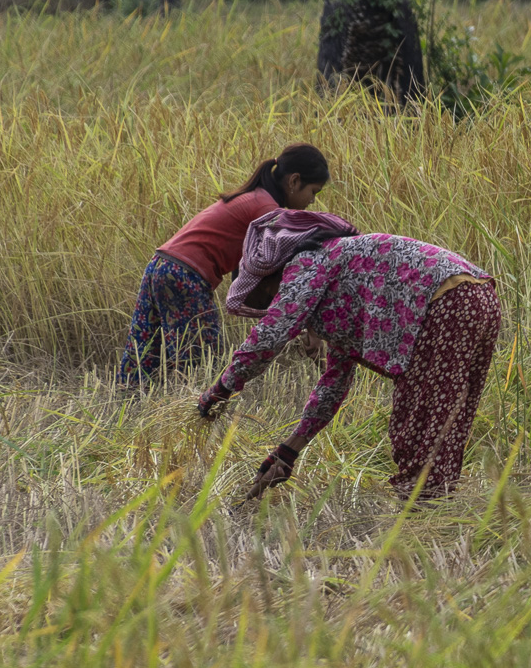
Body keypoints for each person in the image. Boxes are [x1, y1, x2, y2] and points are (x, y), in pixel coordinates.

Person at [197, 210, 500, 501]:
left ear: (274, 275)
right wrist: (288, 452)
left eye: (269, 295)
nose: (274, 303)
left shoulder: (307, 263)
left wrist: (220, 390)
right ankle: (433, 509)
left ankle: (421, 512)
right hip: (480, 296)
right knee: (444, 415)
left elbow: (268, 337)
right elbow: (333, 383)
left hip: (448, 301)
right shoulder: (341, 288)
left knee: (419, 420)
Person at [116, 143, 330, 385]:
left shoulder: (255, 198)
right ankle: (189, 408)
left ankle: (126, 399)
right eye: (313, 191)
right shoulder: (269, 211)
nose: (312, 200)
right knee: (200, 363)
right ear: (294, 181)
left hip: (160, 266)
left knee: (142, 354)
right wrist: (310, 326)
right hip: (186, 275)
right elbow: (287, 270)